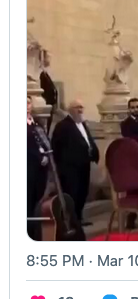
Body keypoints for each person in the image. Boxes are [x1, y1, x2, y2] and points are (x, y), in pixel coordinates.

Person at [51, 99, 99, 227]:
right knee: (72, 192)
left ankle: (79, 217)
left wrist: (94, 153)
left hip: (84, 164)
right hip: (70, 167)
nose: (81, 110)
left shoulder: (82, 124)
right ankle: (71, 220)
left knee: (83, 191)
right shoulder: (62, 126)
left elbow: (88, 140)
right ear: (70, 109)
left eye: (82, 107)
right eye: (78, 107)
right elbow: (56, 146)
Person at [27, 96, 48, 239]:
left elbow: (43, 140)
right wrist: (40, 157)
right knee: (28, 198)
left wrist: (47, 154)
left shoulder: (36, 122)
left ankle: (35, 230)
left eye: (28, 103)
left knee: (38, 197)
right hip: (28, 166)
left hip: (41, 167)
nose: (27, 106)